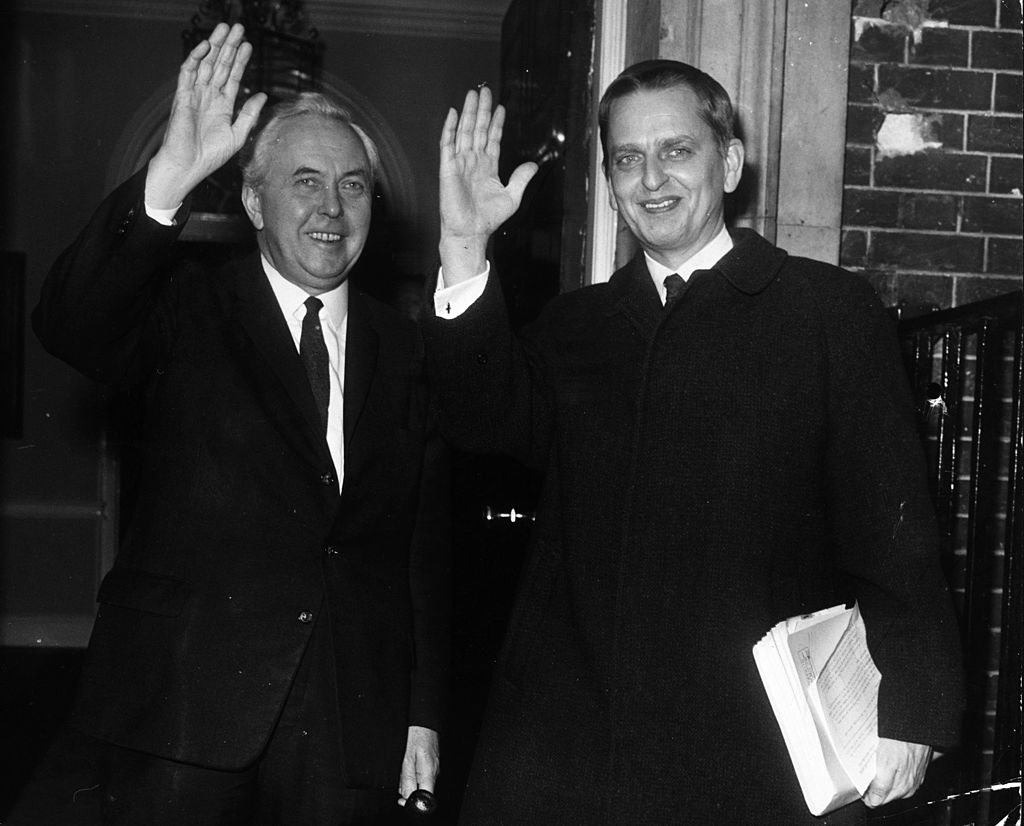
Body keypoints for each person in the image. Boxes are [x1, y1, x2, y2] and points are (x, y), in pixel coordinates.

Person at [423, 60, 964, 824]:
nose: (651, 179)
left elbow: (894, 535)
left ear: (730, 164)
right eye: (627, 159)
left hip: (752, 757)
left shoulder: (825, 312)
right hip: (580, 750)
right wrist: (463, 244)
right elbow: (479, 421)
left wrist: (912, 710)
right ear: (610, 183)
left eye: (676, 151)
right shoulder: (575, 327)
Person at [27, 23, 449, 825]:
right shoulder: (185, 305)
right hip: (183, 705)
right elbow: (69, 322)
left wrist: (421, 711)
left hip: (348, 717)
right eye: (305, 182)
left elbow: (420, 544)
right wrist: (169, 178)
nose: (332, 208)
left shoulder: (407, 347)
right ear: (254, 200)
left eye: (354, 185)